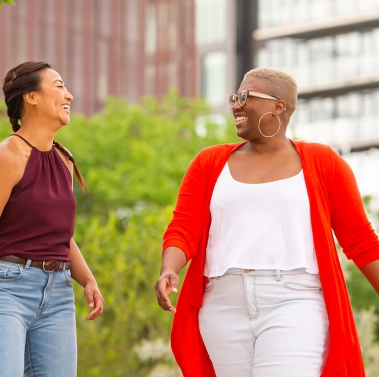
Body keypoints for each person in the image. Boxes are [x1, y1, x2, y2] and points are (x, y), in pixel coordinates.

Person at [155, 67, 379, 377]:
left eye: (246, 96)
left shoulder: (323, 163)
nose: (236, 104)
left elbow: (362, 243)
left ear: (279, 105)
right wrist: (169, 268)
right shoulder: (209, 163)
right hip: (222, 305)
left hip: (294, 301)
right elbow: (183, 228)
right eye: (235, 97)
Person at [0, 61, 103, 377]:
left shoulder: (64, 160)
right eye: (60, 86)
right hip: (5, 290)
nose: (70, 96)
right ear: (31, 97)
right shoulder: (7, 156)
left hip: (59, 295)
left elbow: (60, 236)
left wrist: (88, 279)